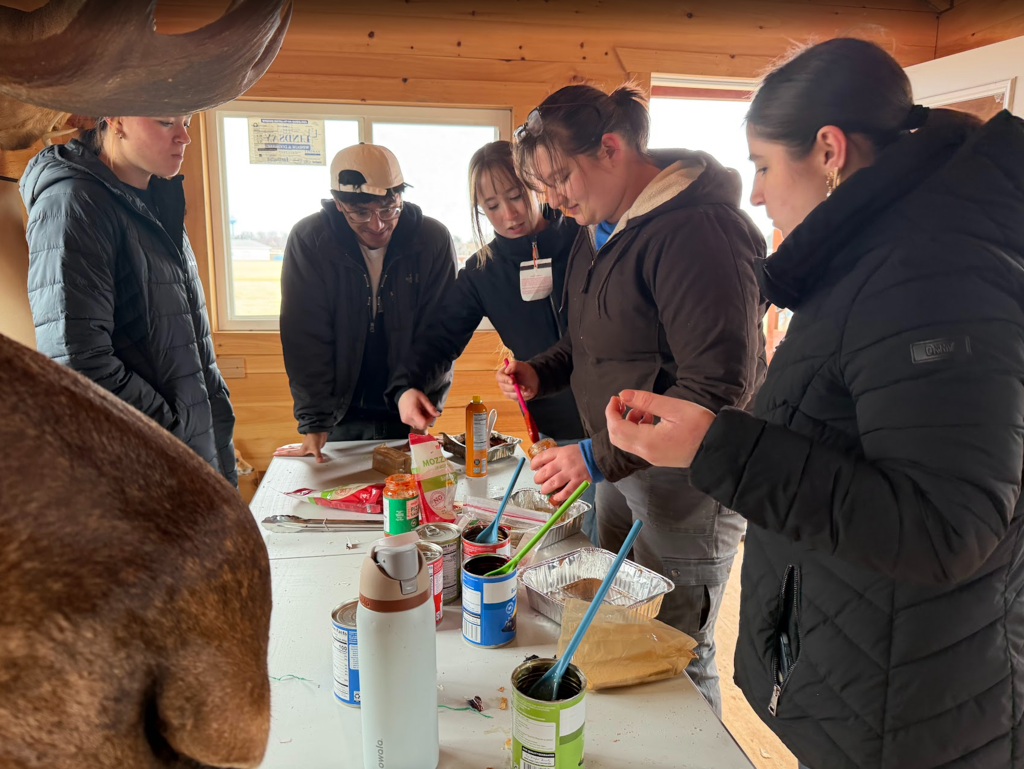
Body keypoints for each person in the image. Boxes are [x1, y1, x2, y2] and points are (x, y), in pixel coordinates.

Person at [604, 38, 1024, 769]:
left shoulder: (931, 273)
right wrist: (717, 436)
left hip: (917, 708)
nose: (758, 191)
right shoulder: (879, 255)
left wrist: (716, 449)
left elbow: (946, 527)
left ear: (829, 150)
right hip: (867, 669)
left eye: (765, 165)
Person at [498, 83, 767, 715]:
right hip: (621, 469)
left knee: (673, 649)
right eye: (544, 186)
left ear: (611, 149)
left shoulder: (699, 232)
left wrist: (592, 457)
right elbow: (596, 342)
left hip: (685, 486)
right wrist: (543, 372)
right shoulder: (603, 228)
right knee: (614, 631)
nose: (554, 200)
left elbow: (714, 390)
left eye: (560, 178)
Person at [389, 140, 597, 540]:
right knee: (572, 543)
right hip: (553, 434)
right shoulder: (483, 271)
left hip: (610, 424)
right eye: (493, 205)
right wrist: (407, 385)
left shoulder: (582, 238)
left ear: (537, 187)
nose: (510, 214)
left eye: (517, 196)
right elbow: (440, 336)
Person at [22, 116, 238, 485]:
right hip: (145, 465)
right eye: (166, 121)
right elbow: (77, 363)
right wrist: (172, 432)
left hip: (194, 455)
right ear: (117, 120)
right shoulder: (74, 203)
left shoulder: (155, 200)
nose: (185, 136)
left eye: (185, 122)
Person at [276, 143, 457, 461]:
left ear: (401, 196)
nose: (377, 224)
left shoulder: (432, 240)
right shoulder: (310, 240)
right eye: (360, 213)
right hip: (338, 411)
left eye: (389, 209)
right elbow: (305, 337)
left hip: (408, 403)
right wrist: (314, 420)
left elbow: (439, 330)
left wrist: (416, 391)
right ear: (338, 203)